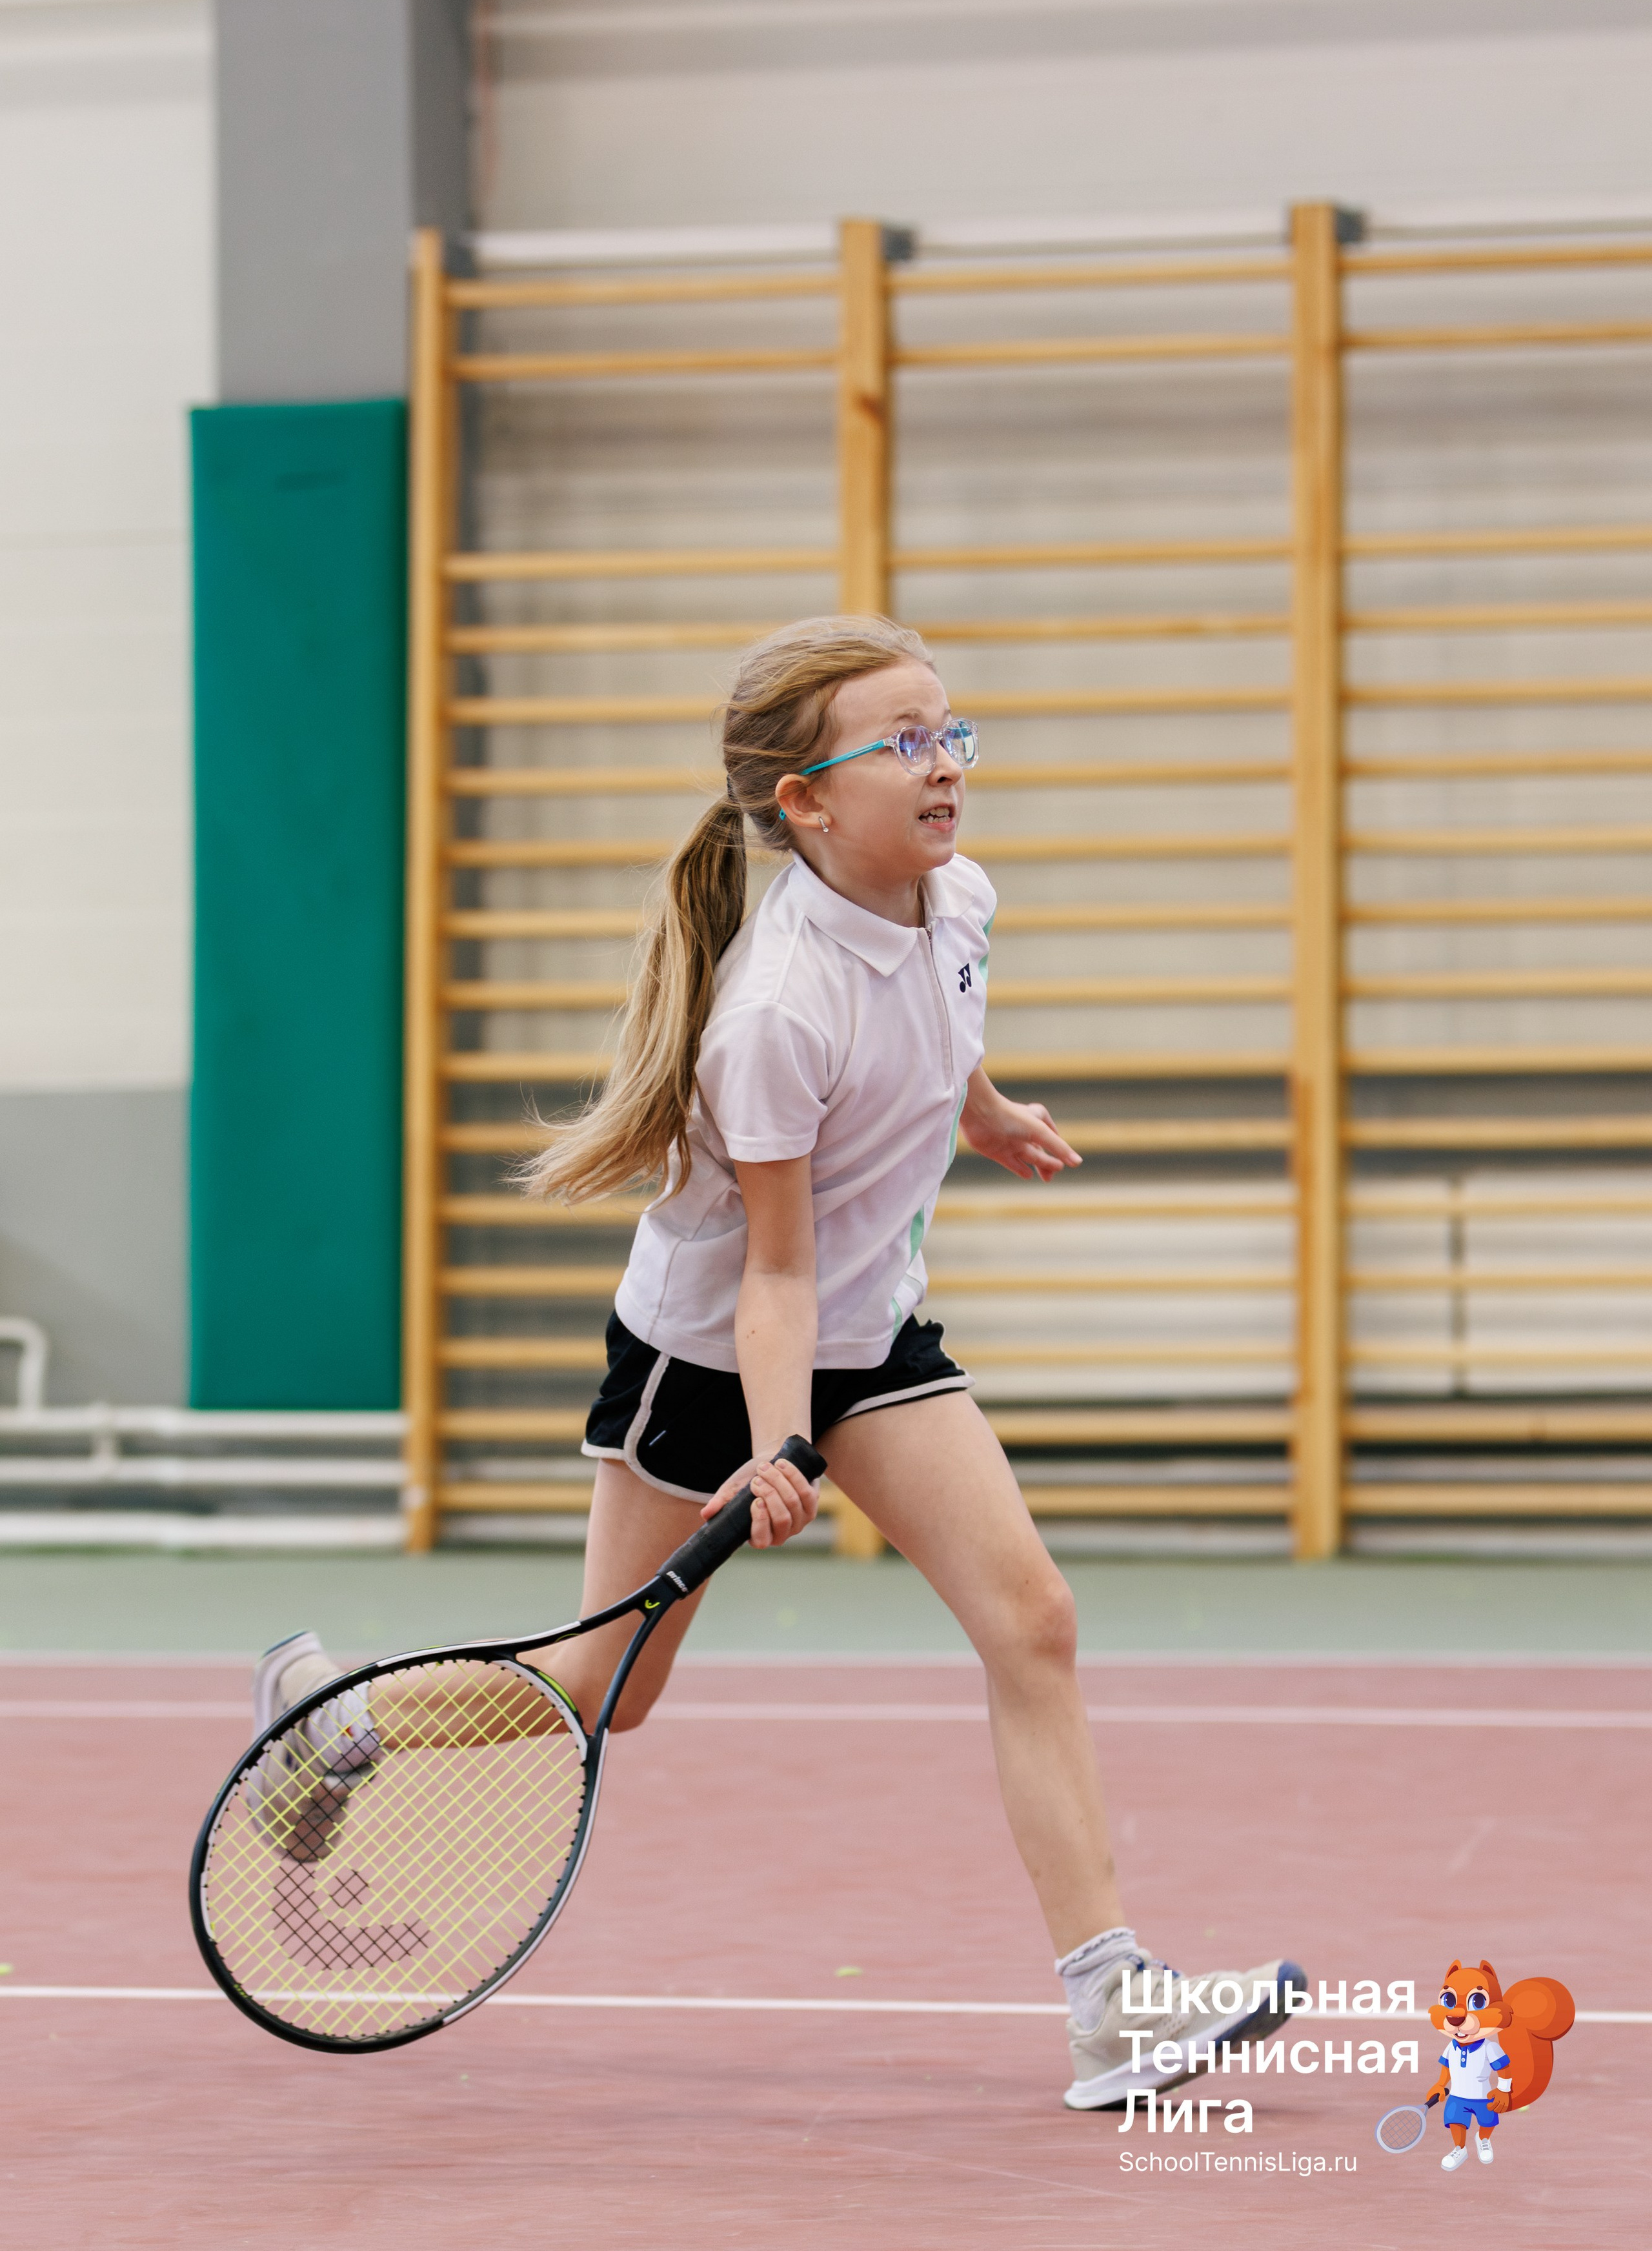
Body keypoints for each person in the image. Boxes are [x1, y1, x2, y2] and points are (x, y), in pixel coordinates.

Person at [257, 614, 1300, 2108]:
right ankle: (340, 1716)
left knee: (1032, 1619)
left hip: (869, 1332)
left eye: (950, 730)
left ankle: (1111, 2002)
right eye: (903, 742)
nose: (943, 763)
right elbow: (774, 1271)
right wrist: (767, 1443)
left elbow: (936, 1032)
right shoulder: (772, 1009)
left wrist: (980, 1108)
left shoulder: (960, 898)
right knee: (607, 1686)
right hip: (713, 1353)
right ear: (805, 800)